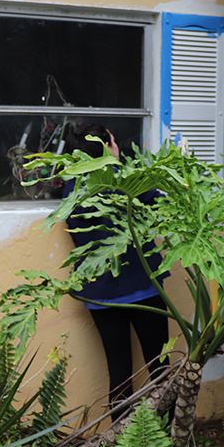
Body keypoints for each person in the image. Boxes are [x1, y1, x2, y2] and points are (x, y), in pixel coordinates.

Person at [63, 124, 169, 413]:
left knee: (120, 373)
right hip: (143, 288)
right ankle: (173, 442)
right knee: (161, 367)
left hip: (101, 295)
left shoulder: (71, 189)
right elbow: (164, 205)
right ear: (109, 146)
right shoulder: (124, 179)